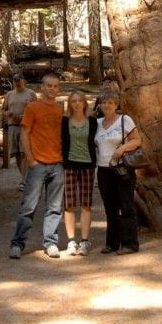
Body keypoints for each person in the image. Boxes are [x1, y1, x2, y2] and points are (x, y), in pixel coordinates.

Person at [9, 73, 64, 259]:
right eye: (49, 85)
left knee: (54, 207)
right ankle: (17, 243)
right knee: (28, 206)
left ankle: (51, 243)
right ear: (42, 87)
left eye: (55, 86)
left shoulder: (59, 109)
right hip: (38, 163)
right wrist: (31, 159)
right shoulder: (32, 107)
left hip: (57, 165)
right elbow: (25, 133)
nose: (52, 89)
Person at [94, 90, 142, 254]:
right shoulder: (98, 123)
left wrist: (121, 149)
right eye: (104, 102)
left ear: (116, 105)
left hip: (121, 168)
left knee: (126, 205)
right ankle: (112, 243)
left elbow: (137, 140)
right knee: (110, 207)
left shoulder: (124, 120)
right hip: (103, 170)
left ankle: (129, 244)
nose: (106, 105)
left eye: (110, 103)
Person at [61, 91, 97, 256]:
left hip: (87, 165)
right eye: (73, 101)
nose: (77, 103)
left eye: (79, 101)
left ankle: (84, 240)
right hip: (69, 166)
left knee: (85, 204)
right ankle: (71, 241)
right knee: (69, 204)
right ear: (70, 104)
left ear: (84, 104)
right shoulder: (64, 122)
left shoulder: (92, 122)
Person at [2, 73, 37, 190]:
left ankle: (23, 180)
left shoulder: (31, 94)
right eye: (15, 80)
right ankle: (24, 177)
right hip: (13, 125)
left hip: (26, 126)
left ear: (24, 81)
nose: (17, 82)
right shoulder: (9, 94)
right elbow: (4, 109)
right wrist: (7, 114)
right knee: (16, 153)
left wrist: (25, 115)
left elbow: (35, 110)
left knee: (24, 152)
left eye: (19, 80)